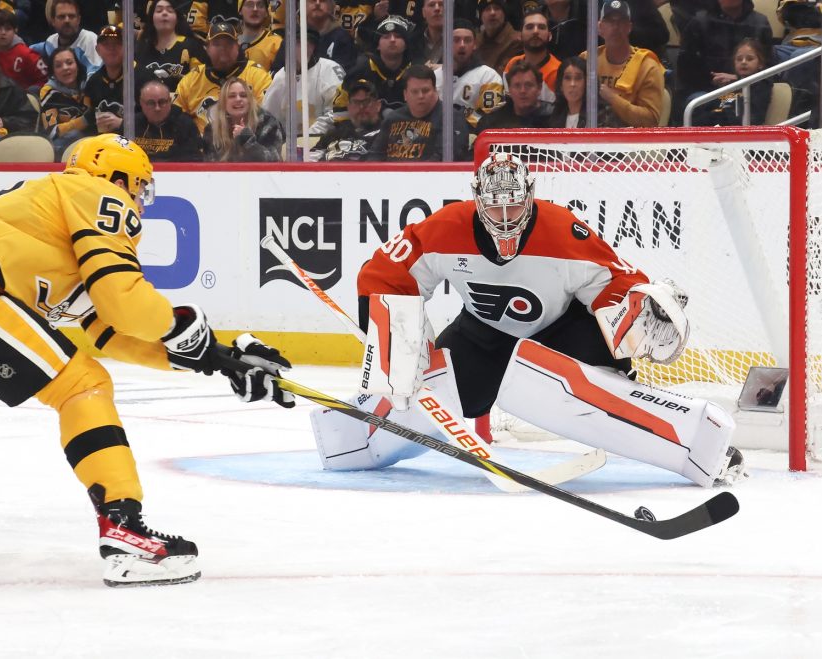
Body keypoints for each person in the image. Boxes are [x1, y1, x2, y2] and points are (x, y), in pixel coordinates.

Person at [0, 133, 294, 586]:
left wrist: (218, 359)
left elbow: (108, 328)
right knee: (83, 383)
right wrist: (181, 328)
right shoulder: (98, 193)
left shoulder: (51, 213)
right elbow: (126, 302)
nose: (141, 203)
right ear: (121, 177)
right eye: (141, 188)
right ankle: (125, 530)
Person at [309, 152, 745, 489]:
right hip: (482, 336)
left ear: (530, 196)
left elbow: (615, 284)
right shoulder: (445, 227)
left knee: (565, 390)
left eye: (513, 207)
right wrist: (396, 351)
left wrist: (634, 317)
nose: (503, 219)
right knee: (428, 390)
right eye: (493, 208)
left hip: (564, 334)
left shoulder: (563, 232)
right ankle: (347, 439)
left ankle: (702, 443)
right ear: (477, 198)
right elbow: (386, 274)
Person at [675, 0, 773, 121]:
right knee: (697, 105)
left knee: (739, 107)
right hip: (706, 90)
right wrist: (713, 81)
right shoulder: (699, 22)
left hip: (749, 91)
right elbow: (685, 69)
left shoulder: (760, 23)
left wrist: (738, 79)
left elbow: (770, 69)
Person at [174, 19, 273, 134]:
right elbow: (175, 118)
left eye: (229, 43)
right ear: (207, 48)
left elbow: (267, 118)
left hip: (245, 143)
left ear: (238, 46)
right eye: (217, 44)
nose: (223, 48)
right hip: (201, 147)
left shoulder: (257, 75)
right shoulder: (191, 80)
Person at [369, 64, 470, 162]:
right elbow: (375, 156)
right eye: (414, 92)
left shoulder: (451, 118)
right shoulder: (392, 118)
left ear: (436, 91)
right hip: (390, 177)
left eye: (425, 91)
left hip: (430, 177)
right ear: (405, 94)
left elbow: (443, 159)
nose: (420, 96)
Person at [588, 0, 664, 127]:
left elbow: (651, 120)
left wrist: (613, 99)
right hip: (591, 140)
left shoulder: (647, 66)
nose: (615, 27)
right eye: (609, 21)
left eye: (621, 21)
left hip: (632, 142)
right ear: (600, 27)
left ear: (629, 27)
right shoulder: (588, 60)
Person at [262, 28, 344, 138]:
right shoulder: (280, 77)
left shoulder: (330, 70)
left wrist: (308, 137)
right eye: (296, 43)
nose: (301, 48)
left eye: (306, 43)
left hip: (324, 142)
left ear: (313, 47)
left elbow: (336, 113)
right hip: (289, 146)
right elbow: (269, 117)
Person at [434, 19, 504, 130]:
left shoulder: (489, 76)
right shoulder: (434, 77)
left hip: (472, 138)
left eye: (467, 40)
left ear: (475, 44)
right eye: (456, 40)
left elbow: (488, 115)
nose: (462, 45)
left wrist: (458, 119)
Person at [692, 37, 773, 126]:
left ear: (760, 64)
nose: (743, 62)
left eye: (749, 59)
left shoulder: (762, 84)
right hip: (715, 128)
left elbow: (753, 118)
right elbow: (714, 109)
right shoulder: (731, 85)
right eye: (739, 59)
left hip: (738, 133)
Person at [203, 77, 285, 161]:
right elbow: (209, 167)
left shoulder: (268, 123)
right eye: (232, 96)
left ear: (249, 101)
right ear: (223, 103)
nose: (238, 99)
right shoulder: (212, 130)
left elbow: (274, 161)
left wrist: (247, 139)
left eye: (243, 95)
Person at [134, 0, 206, 92]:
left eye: (170, 10)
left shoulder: (192, 46)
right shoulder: (141, 47)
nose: (164, 13)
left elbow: (200, 83)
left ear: (177, 17)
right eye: (159, 11)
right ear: (152, 17)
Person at [314, 75, 385, 161]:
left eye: (367, 101)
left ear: (378, 105)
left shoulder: (386, 133)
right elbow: (310, 161)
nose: (361, 106)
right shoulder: (335, 133)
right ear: (348, 107)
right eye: (356, 102)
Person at [134, 79, 204, 161]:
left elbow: (193, 160)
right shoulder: (131, 124)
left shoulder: (185, 125)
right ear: (141, 103)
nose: (157, 108)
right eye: (151, 103)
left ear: (170, 101)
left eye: (162, 102)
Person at [39, 46, 91, 156]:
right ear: (53, 71)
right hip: (63, 144)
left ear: (77, 65)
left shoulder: (90, 86)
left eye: (69, 62)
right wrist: (84, 121)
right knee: (75, 134)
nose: (65, 68)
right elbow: (52, 131)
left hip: (93, 141)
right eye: (58, 65)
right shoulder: (48, 92)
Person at [504, 8, 561, 104]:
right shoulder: (512, 64)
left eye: (541, 27)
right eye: (529, 27)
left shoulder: (558, 71)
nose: (535, 31)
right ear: (520, 35)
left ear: (550, 36)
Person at [475, 61, 553, 130]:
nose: (523, 91)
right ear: (509, 90)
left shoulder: (554, 118)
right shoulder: (491, 123)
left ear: (539, 88)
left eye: (528, 85)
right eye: (517, 86)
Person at [0, 7, 49, 92]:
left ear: (15, 30)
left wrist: (29, 95)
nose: (3, 32)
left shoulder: (26, 54)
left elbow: (46, 81)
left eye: (8, 28)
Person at [30, 0, 101, 72]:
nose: (67, 20)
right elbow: (28, 51)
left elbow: (94, 75)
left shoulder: (90, 40)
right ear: (53, 21)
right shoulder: (51, 42)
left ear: (78, 20)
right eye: (61, 17)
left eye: (71, 16)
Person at [82, 25, 125, 135]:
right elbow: (87, 118)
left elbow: (153, 118)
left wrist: (122, 124)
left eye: (117, 43)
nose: (112, 48)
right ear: (97, 50)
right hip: (100, 144)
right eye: (106, 44)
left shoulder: (141, 78)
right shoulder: (92, 82)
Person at [475, 0, 522, 74]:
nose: (492, 13)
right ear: (481, 16)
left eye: (497, 8)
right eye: (487, 9)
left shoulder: (517, 41)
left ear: (504, 14)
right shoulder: (475, 42)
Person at [239, 0, 282, 73]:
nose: (255, 9)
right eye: (249, 5)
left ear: (266, 12)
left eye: (260, 5)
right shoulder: (230, 42)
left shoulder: (276, 43)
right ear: (240, 11)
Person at [547, 56, 587, 127]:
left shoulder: (599, 116)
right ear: (561, 85)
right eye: (567, 78)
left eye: (578, 78)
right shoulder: (555, 116)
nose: (572, 84)